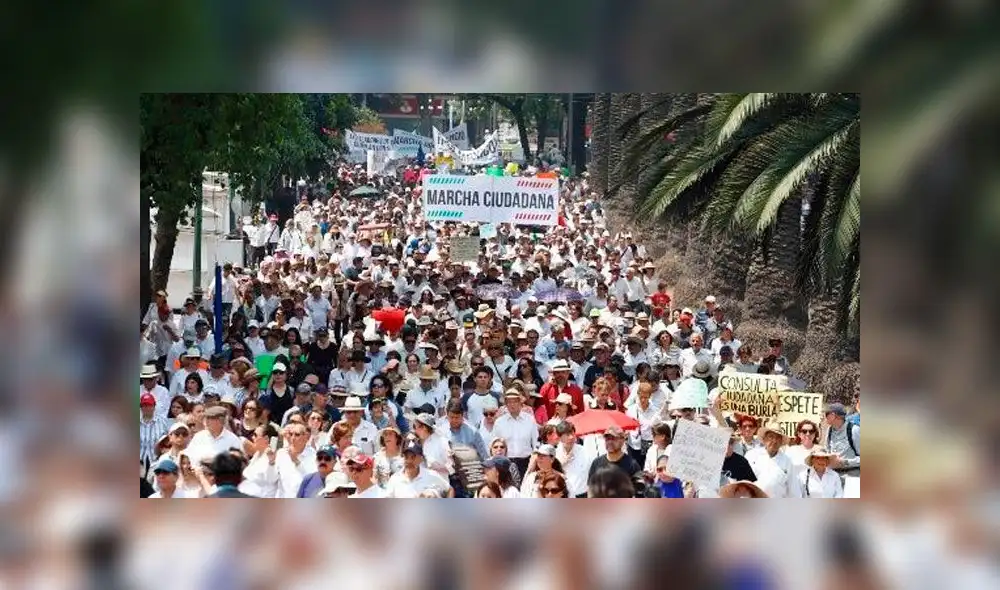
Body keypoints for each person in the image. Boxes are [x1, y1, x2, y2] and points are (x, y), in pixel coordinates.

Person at [745, 421, 799, 498]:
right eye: (771, 437)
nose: (774, 441)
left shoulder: (787, 462)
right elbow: (742, 483)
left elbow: (794, 490)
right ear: (764, 439)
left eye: (778, 438)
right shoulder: (751, 455)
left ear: (781, 442)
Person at [491, 389, 539, 476]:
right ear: (506, 404)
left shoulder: (530, 419)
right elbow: (494, 444)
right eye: (509, 402)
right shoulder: (499, 422)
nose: (512, 404)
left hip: (526, 462)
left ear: (520, 403)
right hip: (506, 463)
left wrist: (533, 462)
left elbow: (536, 443)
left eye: (515, 401)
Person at [385, 440, 453, 498]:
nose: (409, 461)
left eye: (413, 457)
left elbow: (449, 489)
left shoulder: (431, 475)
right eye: (406, 457)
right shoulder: (395, 479)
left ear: (421, 459)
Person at [588, 425, 642, 493]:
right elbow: (591, 488)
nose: (610, 442)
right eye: (607, 439)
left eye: (614, 438)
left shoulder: (632, 464)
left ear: (622, 441)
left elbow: (639, 490)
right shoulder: (596, 463)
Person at [823, 402, 860, 496]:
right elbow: (826, 450)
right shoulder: (829, 430)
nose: (824, 416)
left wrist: (844, 462)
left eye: (826, 414)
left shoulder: (854, 430)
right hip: (833, 479)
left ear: (833, 415)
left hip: (851, 480)